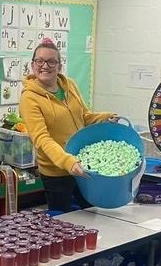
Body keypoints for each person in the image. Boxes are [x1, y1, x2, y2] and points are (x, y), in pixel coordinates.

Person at [19, 38, 117, 212]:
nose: (45, 66)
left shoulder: (69, 85)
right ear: (33, 65)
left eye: (51, 62)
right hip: (56, 171)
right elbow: (41, 139)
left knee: (93, 213)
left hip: (83, 163)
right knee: (62, 220)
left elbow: (84, 116)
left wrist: (104, 117)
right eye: (40, 61)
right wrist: (68, 162)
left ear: (59, 66)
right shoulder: (29, 98)